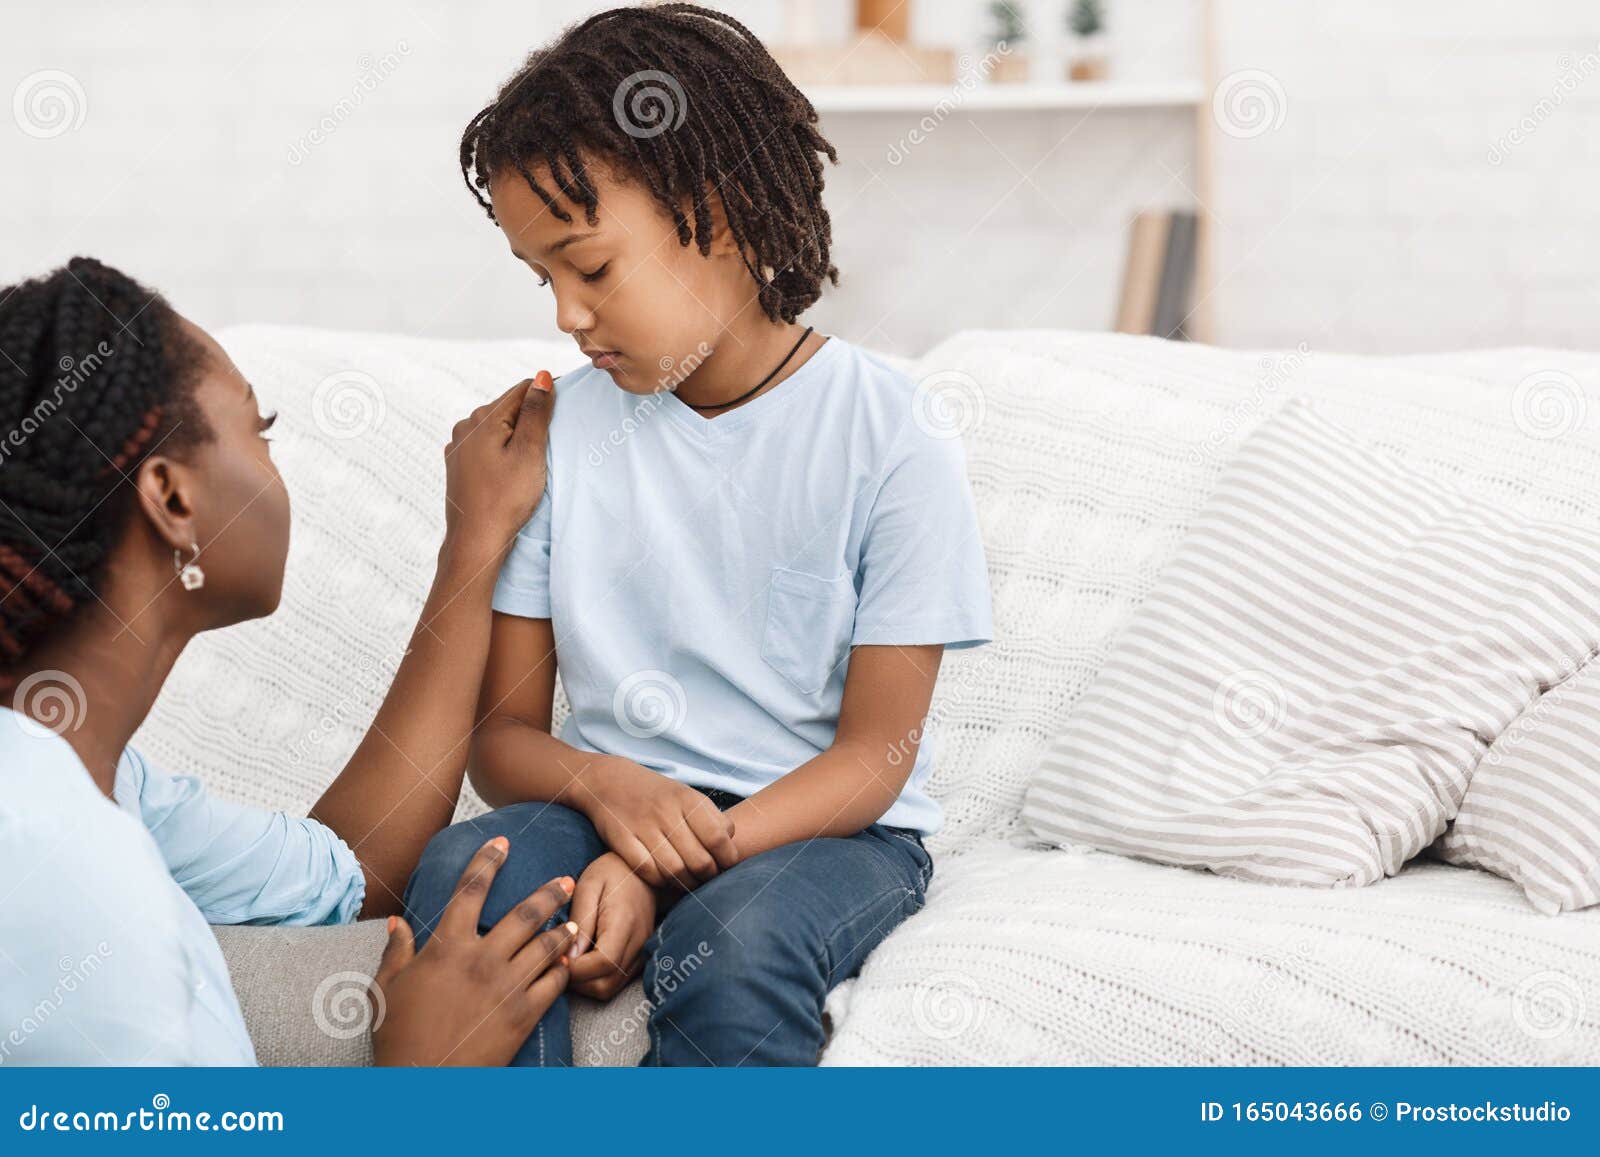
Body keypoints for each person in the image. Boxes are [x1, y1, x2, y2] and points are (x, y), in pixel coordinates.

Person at [403, 4, 994, 1066]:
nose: (566, 317)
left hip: (829, 833)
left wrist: (666, 860)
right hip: (611, 806)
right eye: (543, 279)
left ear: (714, 212)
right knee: (471, 875)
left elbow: (875, 756)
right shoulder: (555, 437)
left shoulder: (889, 433)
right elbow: (503, 742)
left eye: (589, 268)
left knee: (731, 937)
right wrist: (608, 793)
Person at [0, 257, 572, 1066]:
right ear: (171, 499)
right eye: (258, 427)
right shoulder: (63, 873)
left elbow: (351, 864)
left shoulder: (106, 784)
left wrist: (473, 543)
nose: (274, 462)